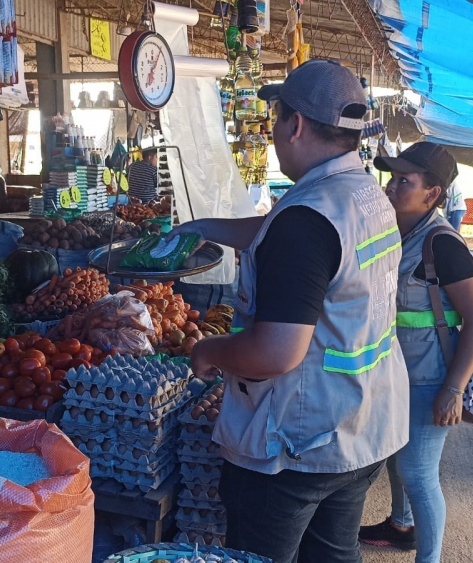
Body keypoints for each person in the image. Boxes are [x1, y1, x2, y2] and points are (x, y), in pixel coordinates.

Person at [168, 59, 410, 563]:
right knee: (332, 555)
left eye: (275, 119)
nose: (275, 132)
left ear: (294, 124)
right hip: (362, 423)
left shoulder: (309, 216)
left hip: (300, 441)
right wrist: (202, 227)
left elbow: (275, 352)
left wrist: (210, 350)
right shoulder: (364, 195)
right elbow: (288, 241)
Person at [357, 143, 473, 563]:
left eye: (404, 181)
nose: (391, 188)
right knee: (398, 457)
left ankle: (429, 557)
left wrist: (453, 389)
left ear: (432, 194)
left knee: (418, 473)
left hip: (429, 377)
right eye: (391, 179)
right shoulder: (394, 230)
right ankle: (401, 525)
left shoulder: (441, 244)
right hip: (394, 372)